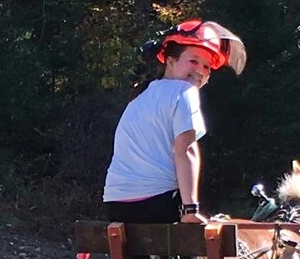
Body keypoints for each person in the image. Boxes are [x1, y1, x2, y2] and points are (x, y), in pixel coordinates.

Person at [102, 19, 247, 226]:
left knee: (141, 258)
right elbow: (186, 151)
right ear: (170, 62)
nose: (201, 71)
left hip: (115, 204)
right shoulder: (184, 91)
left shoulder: (140, 97)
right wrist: (190, 209)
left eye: (207, 67)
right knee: (191, 253)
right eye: (194, 61)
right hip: (156, 204)